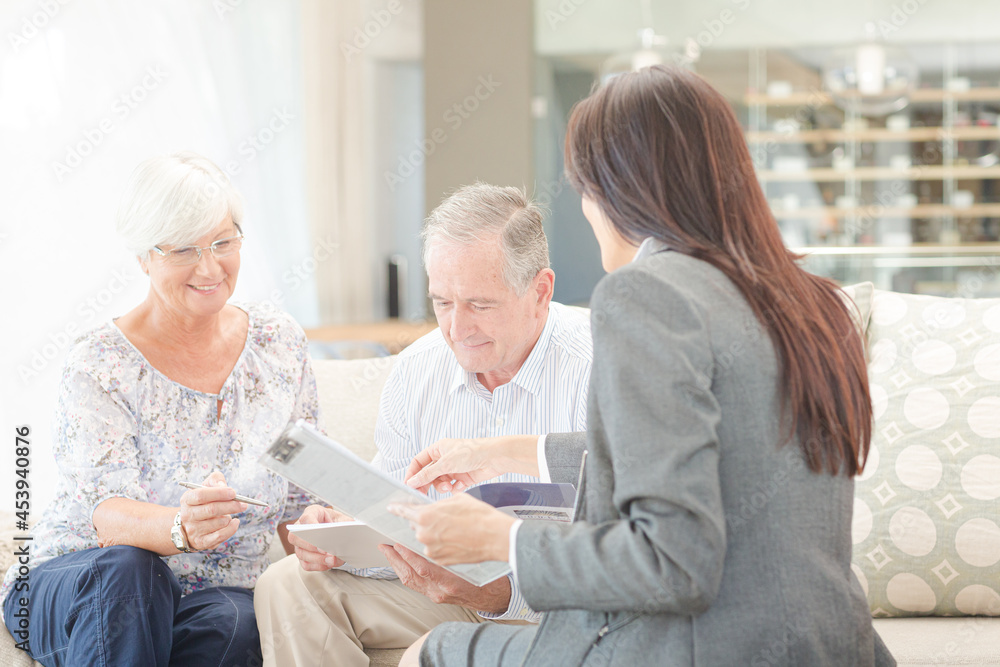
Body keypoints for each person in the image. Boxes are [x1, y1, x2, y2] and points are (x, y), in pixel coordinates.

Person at [393, 65, 896, 666]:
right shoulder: (812, 302)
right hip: (834, 646)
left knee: (429, 650)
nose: (585, 209)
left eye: (583, 188)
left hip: (701, 652)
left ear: (614, 188)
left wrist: (502, 537)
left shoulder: (646, 295)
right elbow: (692, 450)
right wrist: (499, 452)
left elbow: (673, 564)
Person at [253, 183, 593, 667]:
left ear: (540, 291)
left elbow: (626, 561)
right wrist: (342, 536)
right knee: (288, 583)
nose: (457, 329)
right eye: (443, 302)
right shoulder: (417, 368)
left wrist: (498, 592)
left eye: (480, 304)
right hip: (445, 596)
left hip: (562, 612)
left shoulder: (600, 367)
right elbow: (393, 516)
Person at [1, 152, 320, 666]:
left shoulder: (278, 342)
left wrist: (326, 535)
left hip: (210, 592)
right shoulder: (100, 362)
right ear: (143, 257)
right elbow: (105, 513)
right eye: (184, 249)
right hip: (85, 576)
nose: (209, 267)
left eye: (223, 242)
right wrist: (181, 528)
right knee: (131, 572)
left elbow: (300, 495)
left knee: (239, 625)